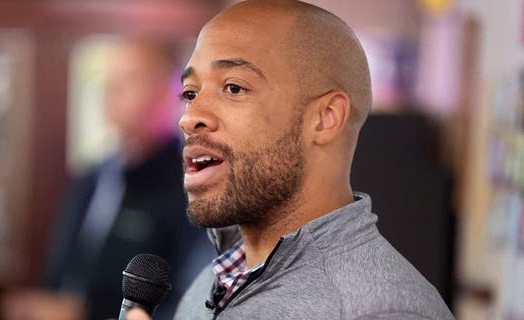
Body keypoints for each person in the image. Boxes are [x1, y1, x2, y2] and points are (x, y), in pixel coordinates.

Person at [127, 0, 454, 319]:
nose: (189, 118)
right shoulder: (217, 279)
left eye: (234, 88)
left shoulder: (381, 310)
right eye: (190, 93)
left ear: (325, 118)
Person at [1, 38, 211, 320]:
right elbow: (63, 269)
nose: (112, 90)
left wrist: (85, 313)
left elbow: (189, 298)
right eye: (109, 79)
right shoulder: (92, 177)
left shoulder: (190, 184)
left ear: (168, 92)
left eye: (130, 79)